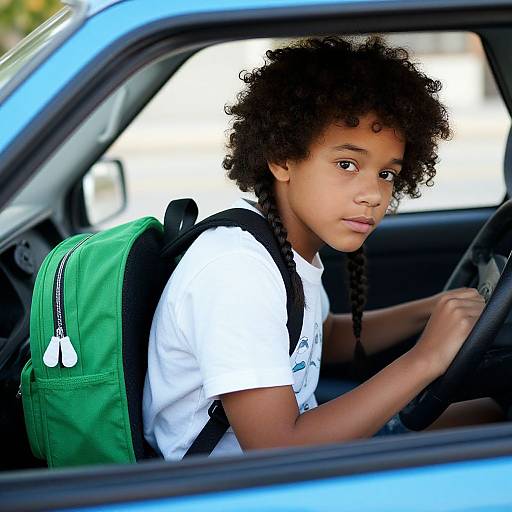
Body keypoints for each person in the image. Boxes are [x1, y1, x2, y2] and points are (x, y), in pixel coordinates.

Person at [143, 36, 503, 460]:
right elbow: (277, 450)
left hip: (295, 455)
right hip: (240, 488)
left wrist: (432, 309)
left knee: (492, 413)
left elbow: (323, 336)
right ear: (282, 158)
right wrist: (426, 358)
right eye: (347, 164)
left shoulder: (287, 249)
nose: (373, 194)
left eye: (387, 174)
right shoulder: (237, 269)